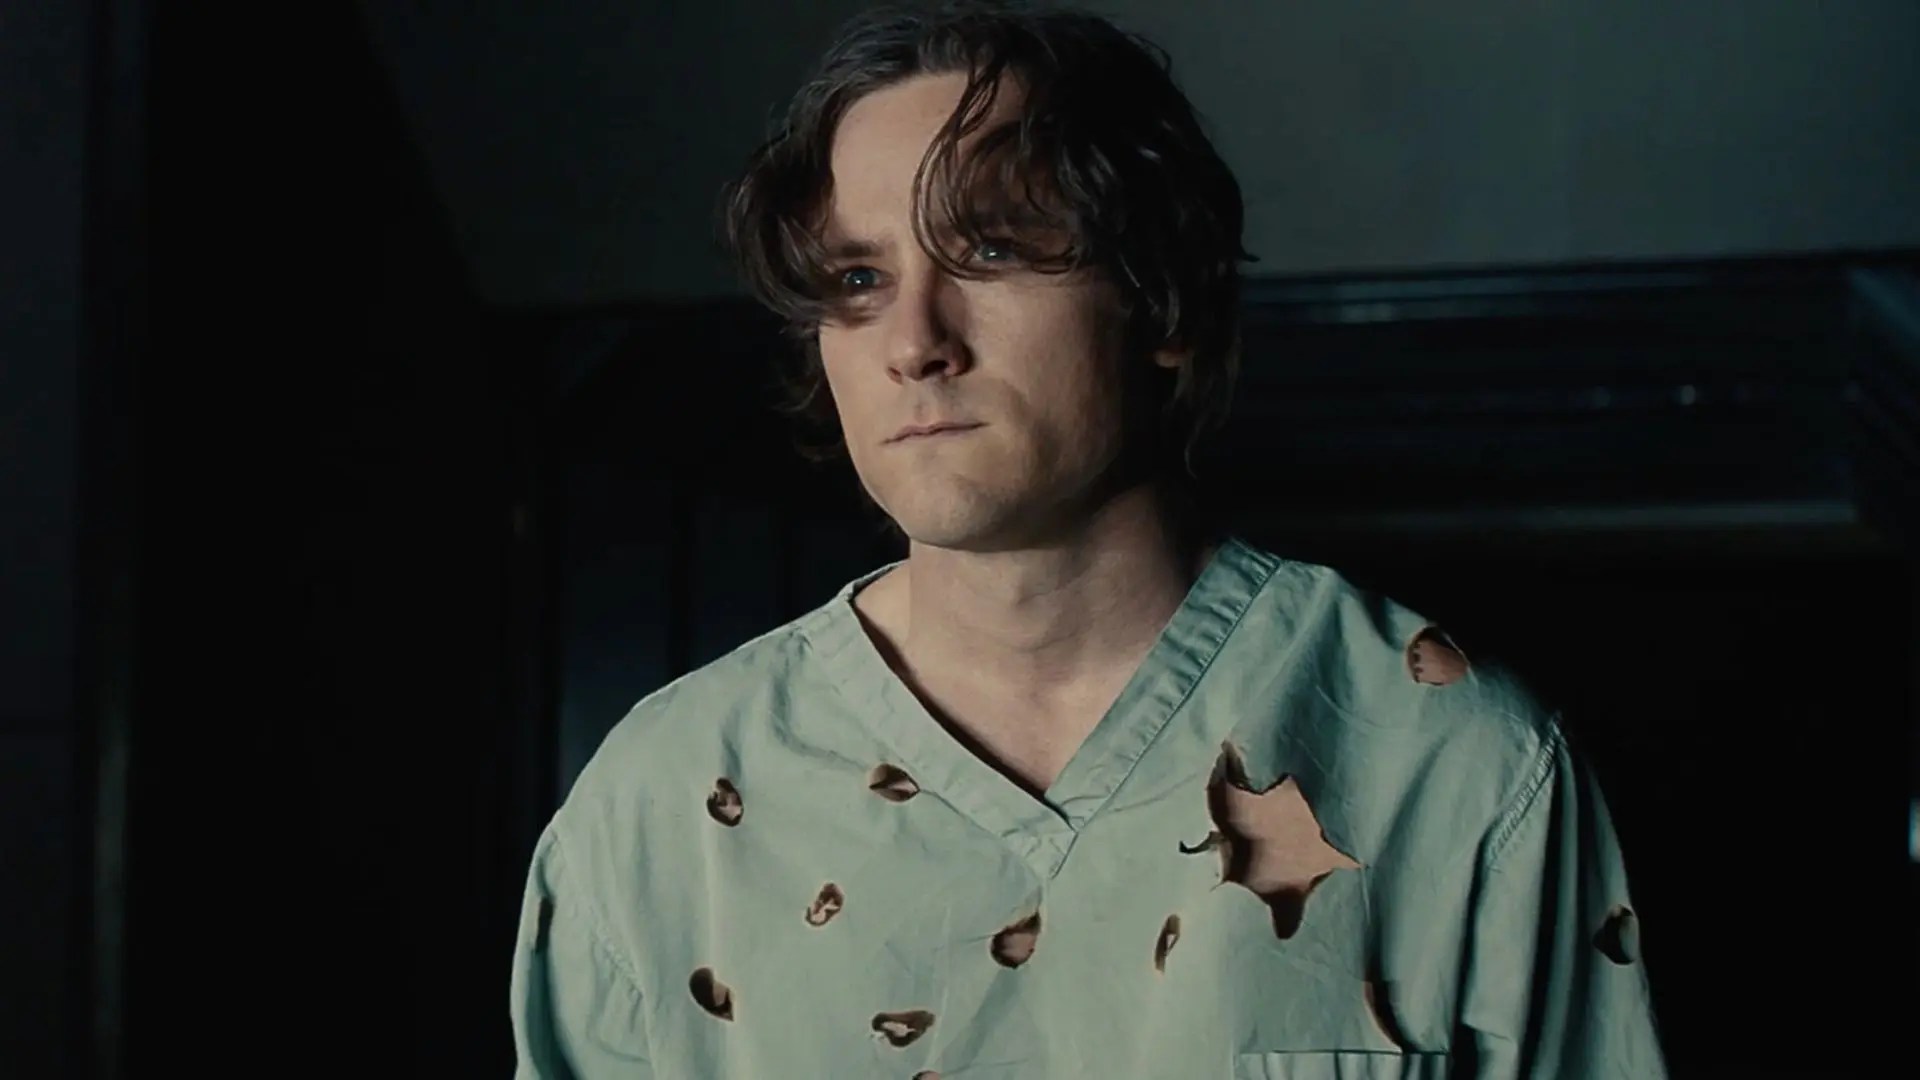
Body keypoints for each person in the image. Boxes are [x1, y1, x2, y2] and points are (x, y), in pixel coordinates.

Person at [509, 2, 1668, 1076]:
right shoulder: (664, 804)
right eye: (859, 277)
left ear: (1160, 302)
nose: (913, 341)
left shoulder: (1448, 761)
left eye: (990, 251)